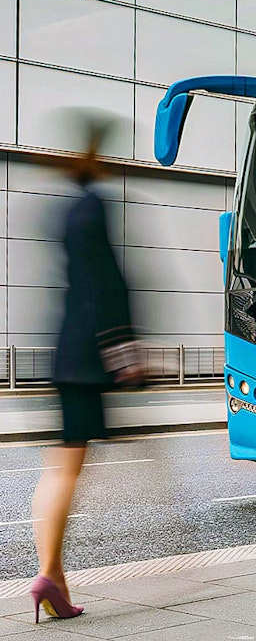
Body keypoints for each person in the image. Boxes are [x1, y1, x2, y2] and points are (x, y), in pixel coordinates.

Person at [30, 116, 144, 624]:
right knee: (67, 468)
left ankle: (53, 579)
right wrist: (124, 351)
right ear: (95, 155)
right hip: (86, 356)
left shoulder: (66, 210)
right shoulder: (94, 206)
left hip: (66, 349)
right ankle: (49, 576)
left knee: (63, 463)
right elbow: (106, 283)